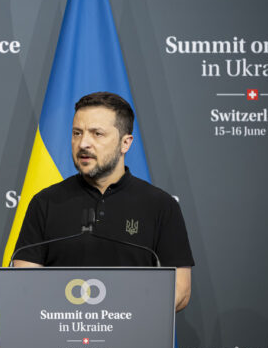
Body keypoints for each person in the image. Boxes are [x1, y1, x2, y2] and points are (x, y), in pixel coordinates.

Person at [13, 92, 193, 311]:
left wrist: (118, 316)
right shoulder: (46, 202)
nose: (83, 143)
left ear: (125, 143)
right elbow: (23, 286)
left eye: (97, 134)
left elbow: (180, 291)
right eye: (77, 133)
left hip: (134, 339)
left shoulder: (161, 206)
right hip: (63, 338)